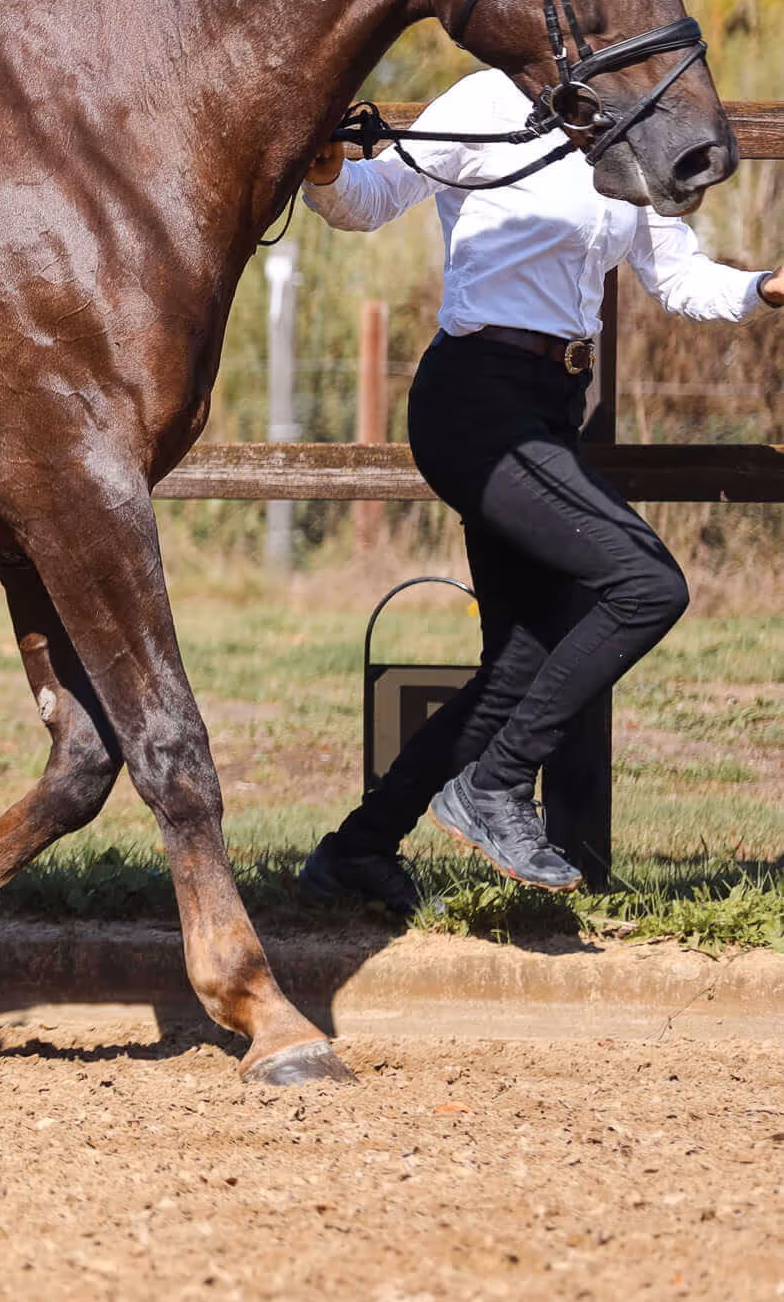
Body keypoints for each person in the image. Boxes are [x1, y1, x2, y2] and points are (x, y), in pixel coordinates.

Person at [297, 67, 782, 909]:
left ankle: (357, 852)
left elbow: (677, 279)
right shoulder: (487, 102)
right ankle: (495, 786)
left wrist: (766, 288)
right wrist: (326, 166)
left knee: (520, 657)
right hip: (476, 399)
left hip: (553, 407)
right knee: (644, 585)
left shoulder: (632, 131)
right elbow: (369, 200)